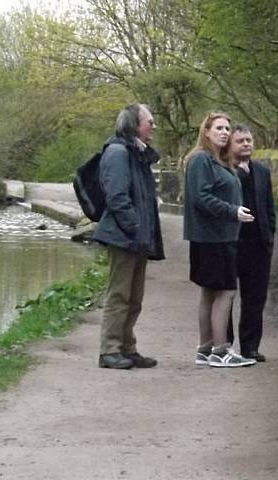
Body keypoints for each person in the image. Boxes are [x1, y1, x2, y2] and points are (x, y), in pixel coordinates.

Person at [93, 103, 164, 370]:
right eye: (150, 122)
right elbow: (117, 197)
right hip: (124, 236)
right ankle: (109, 350)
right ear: (135, 124)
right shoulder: (118, 153)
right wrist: (135, 227)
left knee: (134, 297)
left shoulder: (136, 154)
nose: (153, 127)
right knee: (120, 295)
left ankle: (127, 347)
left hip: (136, 237)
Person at [183, 112, 256, 368]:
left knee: (210, 292)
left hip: (221, 236)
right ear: (206, 132)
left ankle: (205, 348)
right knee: (226, 291)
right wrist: (232, 211)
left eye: (227, 128)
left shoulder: (219, 161)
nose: (225, 132)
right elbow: (201, 198)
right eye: (219, 128)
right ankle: (220, 349)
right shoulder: (200, 160)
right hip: (211, 238)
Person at [226, 124, 275, 362]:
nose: (246, 144)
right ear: (230, 145)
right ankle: (225, 344)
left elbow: (268, 206)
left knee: (255, 298)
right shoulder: (224, 170)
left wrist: (270, 236)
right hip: (232, 242)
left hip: (258, 243)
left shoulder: (263, 172)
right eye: (240, 141)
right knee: (226, 295)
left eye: (249, 140)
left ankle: (250, 347)